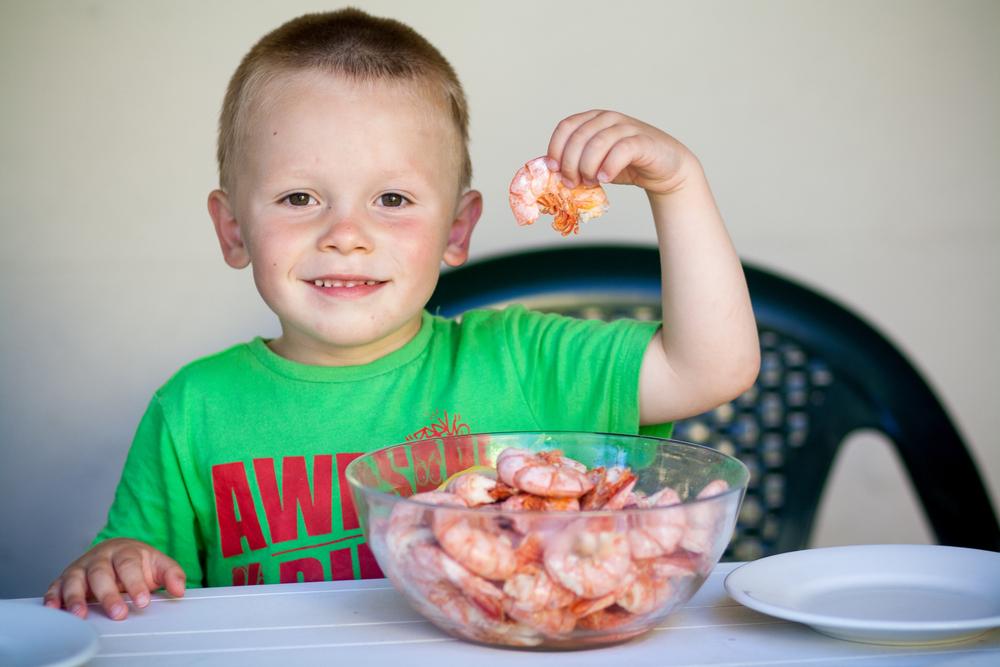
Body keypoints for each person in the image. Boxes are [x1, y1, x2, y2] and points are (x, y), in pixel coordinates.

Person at [43, 8, 759, 621]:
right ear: (233, 230)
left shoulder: (519, 358)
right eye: (299, 198)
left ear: (457, 230)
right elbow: (133, 575)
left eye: (391, 200)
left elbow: (714, 365)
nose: (346, 233)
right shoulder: (192, 409)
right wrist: (115, 563)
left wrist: (677, 183)